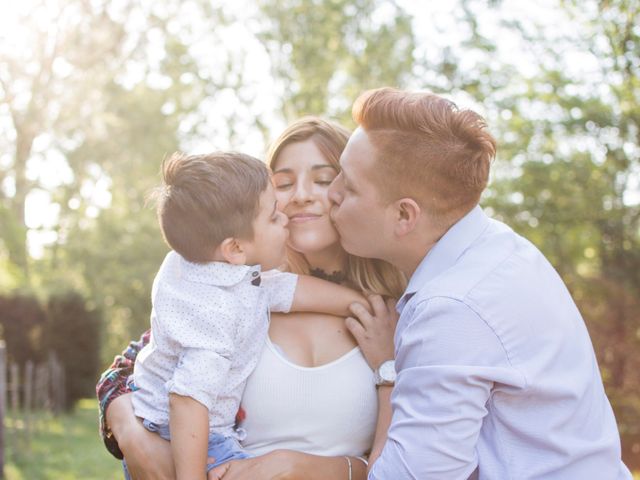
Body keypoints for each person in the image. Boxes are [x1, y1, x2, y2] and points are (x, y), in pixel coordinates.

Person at [328, 87, 632, 479]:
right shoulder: (503, 249)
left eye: (348, 186)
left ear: (405, 215)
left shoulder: (453, 307)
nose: (331, 193)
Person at [96, 117, 406, 480]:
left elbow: (408, 458)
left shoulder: (392, 311)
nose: (301, 195)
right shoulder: (230, 289)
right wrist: (131, 433)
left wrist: (305, 467)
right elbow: (127, 371)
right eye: (283, 184)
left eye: (323, 180)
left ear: (352, 189)